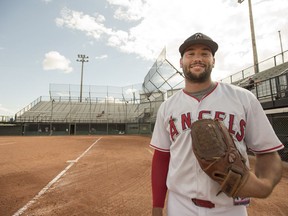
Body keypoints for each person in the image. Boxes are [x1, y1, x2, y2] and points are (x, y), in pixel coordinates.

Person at [150, 32, 284, 216]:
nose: (198, 58)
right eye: (190, 53)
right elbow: (161, 157)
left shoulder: (244, 98)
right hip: (181, 205)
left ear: (213, 60)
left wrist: (265, 185)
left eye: (205, 53)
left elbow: (267, 152)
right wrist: (157, 205)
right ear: (181, 62)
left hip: (230, 208)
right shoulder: (167, 107)